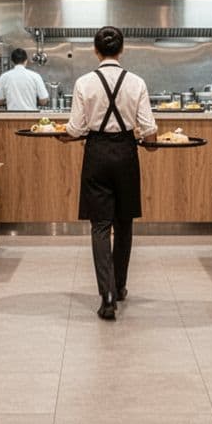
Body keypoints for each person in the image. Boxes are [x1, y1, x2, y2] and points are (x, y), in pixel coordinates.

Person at [63, 26, 157, 320]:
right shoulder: (137, 82)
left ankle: (106, 296)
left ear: (95, 50)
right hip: (127, 153)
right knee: (124, 223)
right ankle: (120, 285)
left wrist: (62, 135)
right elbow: (149, 128)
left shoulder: (84, 82)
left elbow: (76, 129)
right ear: (122, 49)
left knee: (100, 225)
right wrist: (151, 145)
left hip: (97, 154)